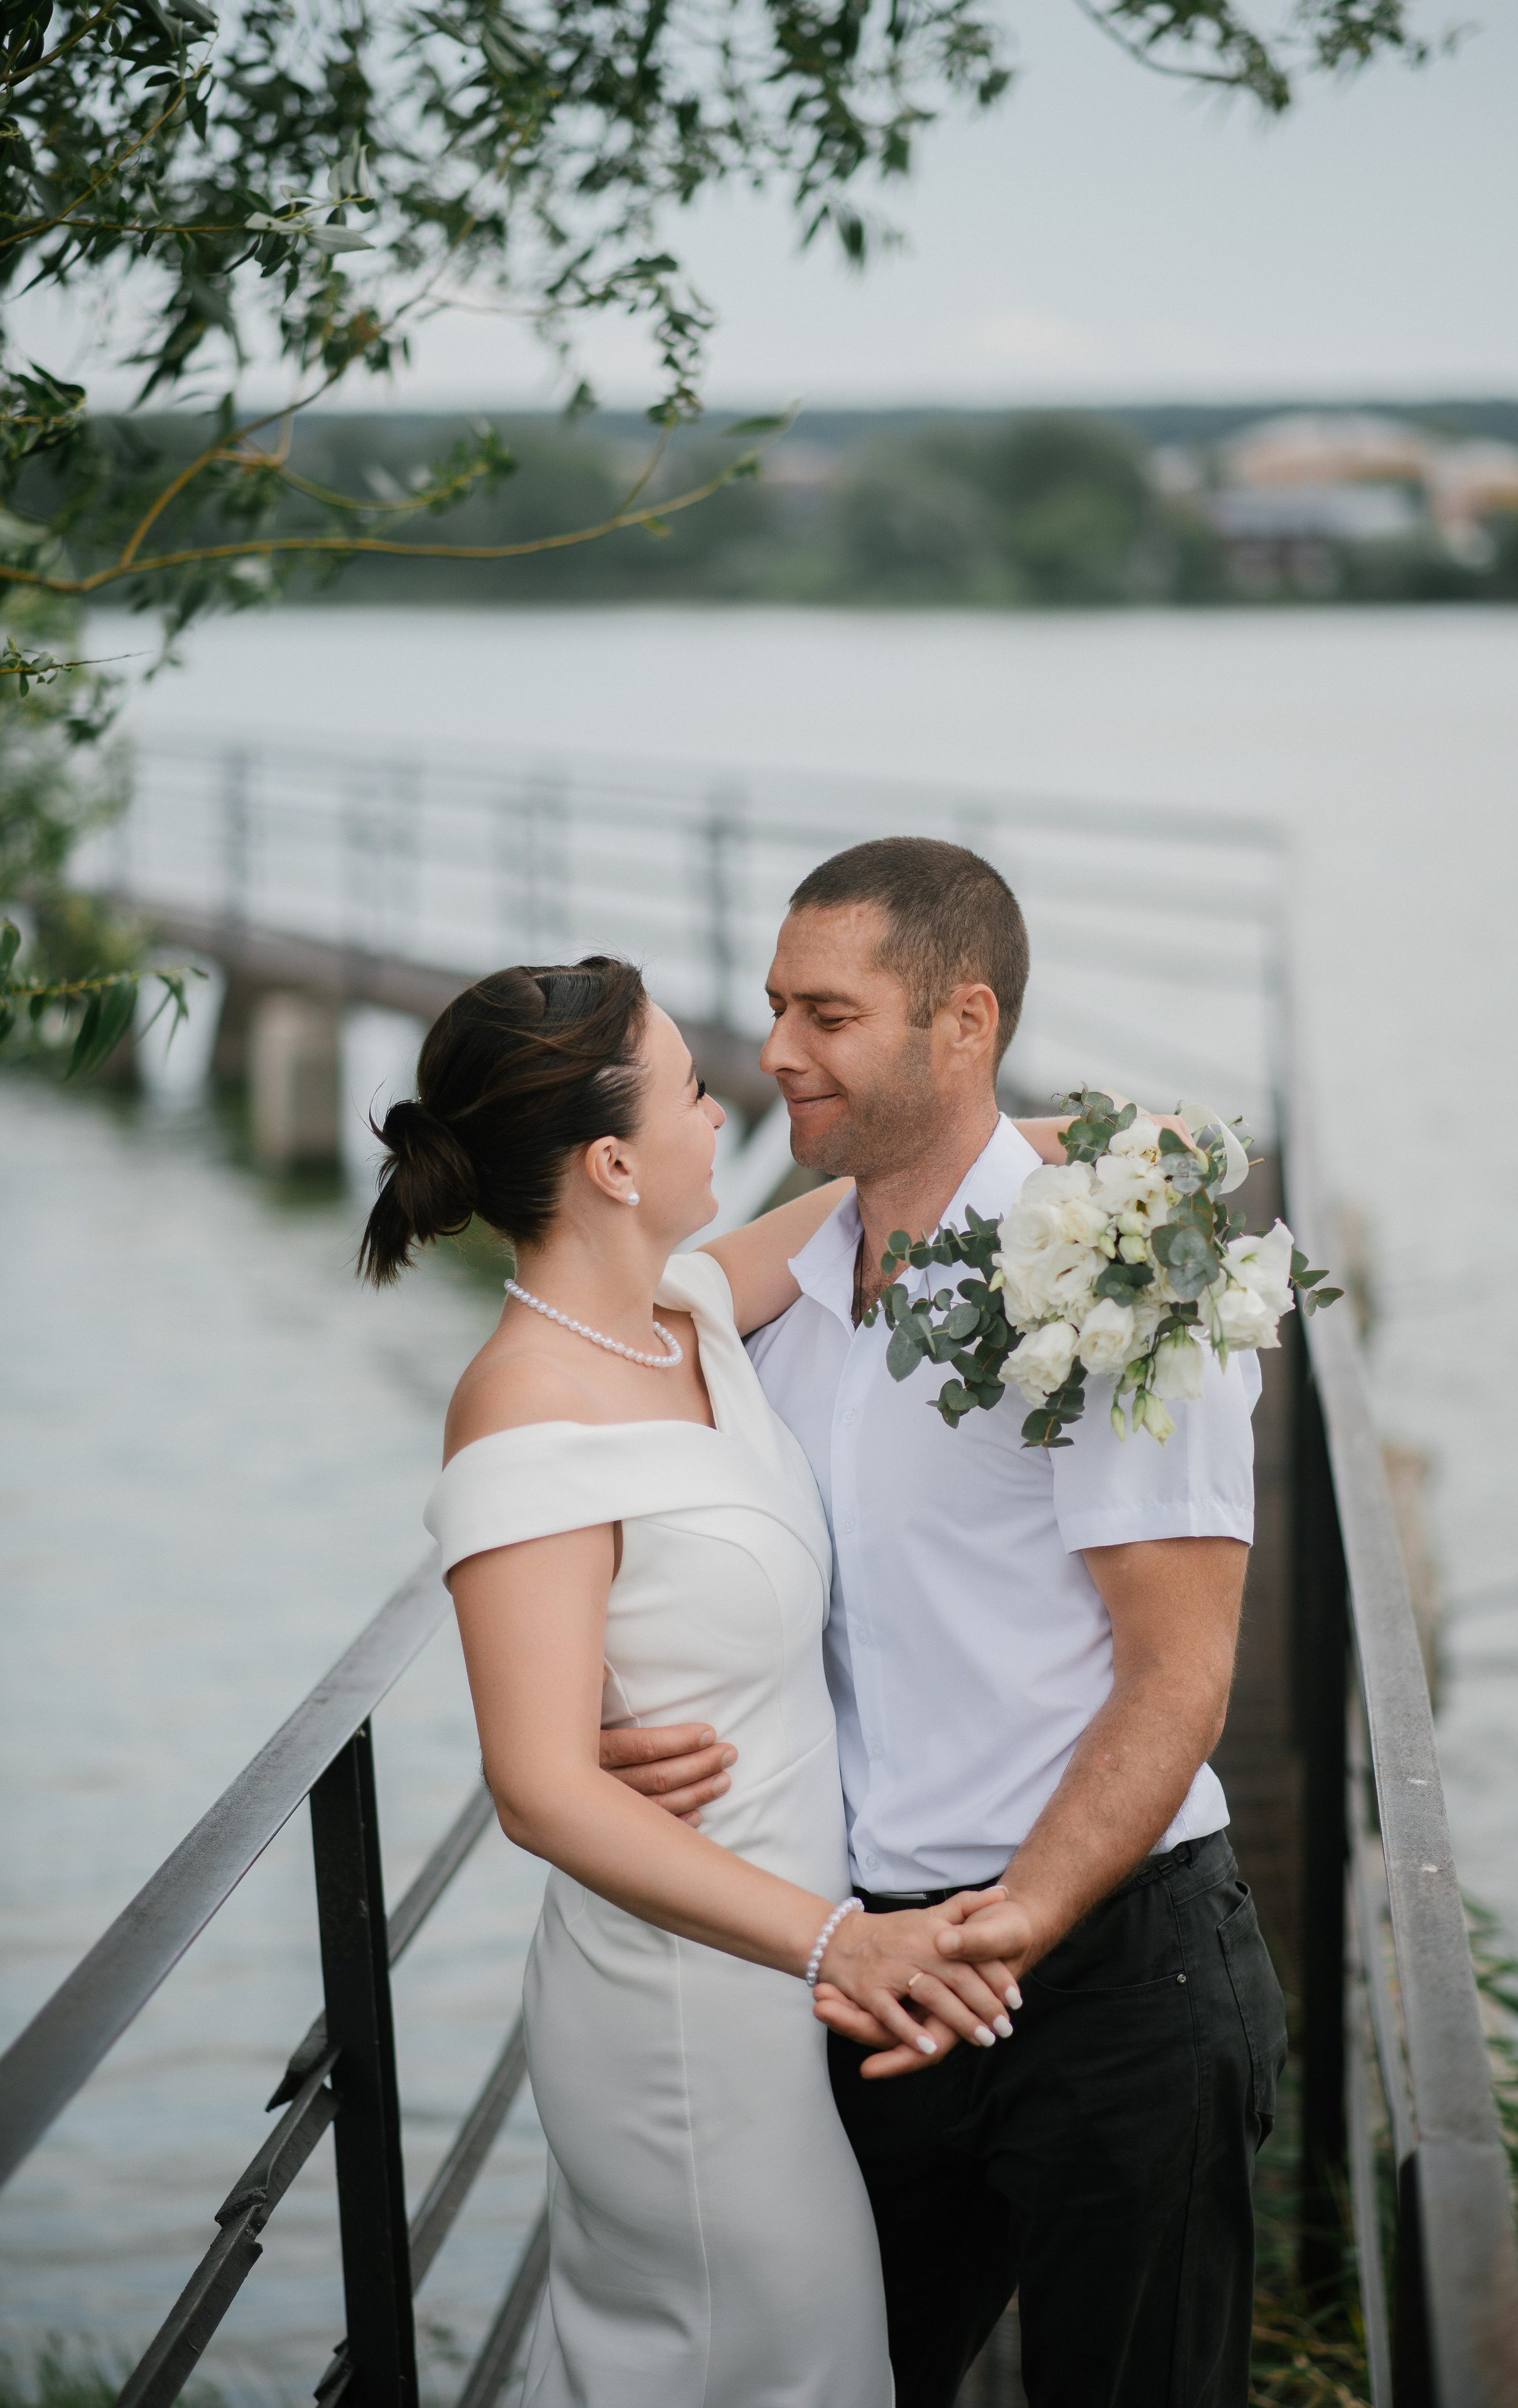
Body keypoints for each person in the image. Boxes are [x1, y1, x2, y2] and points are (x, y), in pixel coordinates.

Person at [607, 838, 1289, 2408]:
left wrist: (1020, 1919)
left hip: (1112, 1965)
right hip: (873, 1971)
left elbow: (1179, 1671)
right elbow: (662, 1516)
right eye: (774, 1007)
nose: (774, 1051)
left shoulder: (1117, 1282)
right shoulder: (772, 1308)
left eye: (826, 1015)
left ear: (961, 1024)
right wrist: (602, 1689)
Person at [359, 958, 1026, 2408]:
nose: (731, 1104)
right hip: (689, 1999)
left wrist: (1124, 1149)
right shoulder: (524, 1403)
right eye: (690, 1088)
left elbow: (909, 1180)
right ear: (611, 1161)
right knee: (768, 2359)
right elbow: (537, 1784)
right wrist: (833, 1945)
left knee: (794, 2362)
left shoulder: (694, 1315)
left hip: (785, 1976)